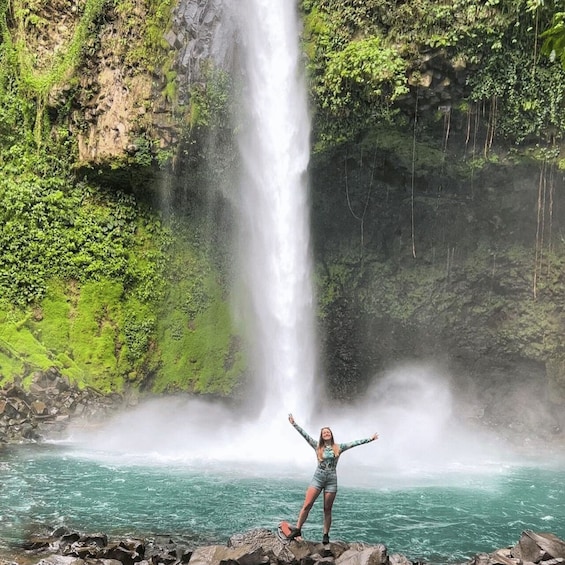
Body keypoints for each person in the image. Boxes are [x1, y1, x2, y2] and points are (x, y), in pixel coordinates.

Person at [287, 413, 378, 544]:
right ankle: (298, 529)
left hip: (331, 480)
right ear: (321, 436)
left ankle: (325, 535)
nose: (326, 434)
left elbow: (354, 443)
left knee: (327, 509)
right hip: (318, 478)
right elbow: (305, 435)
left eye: (328, 432)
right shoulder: (317, 446)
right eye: (324, 432)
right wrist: (294, 424)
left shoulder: (338, 447)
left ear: (331, 434)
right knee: (307, 505)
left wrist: (370, 439)